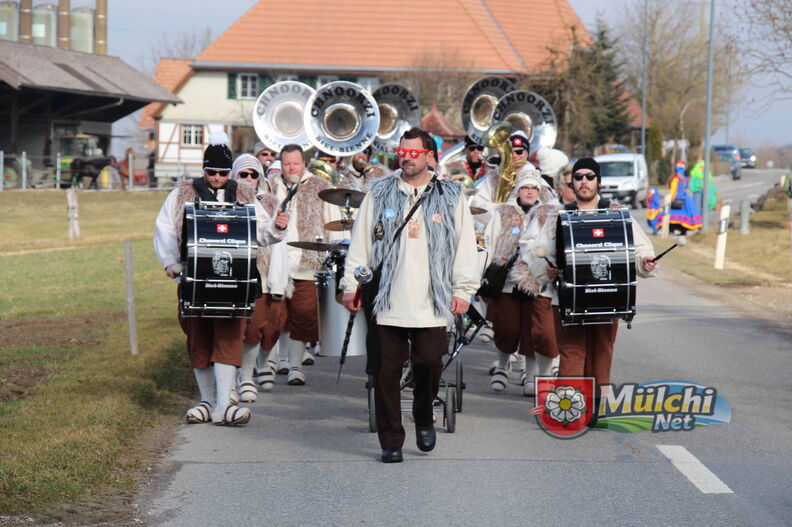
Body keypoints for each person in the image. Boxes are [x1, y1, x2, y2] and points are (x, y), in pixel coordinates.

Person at [341, 127, 479, 463]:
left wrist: (463, 290)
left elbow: (465, 247)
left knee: (430, 363)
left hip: (432, 300)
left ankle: (423, 415)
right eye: (402, 152)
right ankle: (391, 440)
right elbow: (361, 243)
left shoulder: (450, 195)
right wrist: (350, 285)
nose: (405, 158)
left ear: (429, 155)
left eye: (413, 153)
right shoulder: (379, 192)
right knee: (385, 372)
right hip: (387, 299)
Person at [153, 132, 289, 425]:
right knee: (198, 338)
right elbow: (164, 227)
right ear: (204, 170)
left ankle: (224, 403)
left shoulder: (245, 193)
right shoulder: (182, 193)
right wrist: (169, 261)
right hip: (195, 281)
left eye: (222, 173)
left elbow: (263, 232)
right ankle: (206, 399)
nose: (216, 177)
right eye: (211, 172)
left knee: (229, 338)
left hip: (233, 283)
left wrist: (278, 227)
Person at [527, 157, 656, 414]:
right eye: (578, 177)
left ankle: (597, 408)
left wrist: (645, 262)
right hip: (566, 298)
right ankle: (569, 410)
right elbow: (535, 257)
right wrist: (547, 269)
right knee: (572, 353)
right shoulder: (558, 216)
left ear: (598, 181)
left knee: (601, 353)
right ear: (571, 183)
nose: (584, 182)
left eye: (589, 177)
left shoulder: (617, 214)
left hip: (608, 299)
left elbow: (640, 249)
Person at [269, 144, 343, 385]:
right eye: (286, 163)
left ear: (304, 164)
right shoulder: (271, 186)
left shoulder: (320, 188)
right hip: (276, 264)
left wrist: (336, 256)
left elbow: (335, 224)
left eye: (295, 163)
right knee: (276, 317)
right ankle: (277, 361)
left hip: (307, 263)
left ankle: (295, 366)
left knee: (302, 317)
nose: (290, 167)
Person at [482, 169, 559, 395]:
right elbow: (488, 241)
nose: (529, 192)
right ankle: (503, 365)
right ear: (518, 190)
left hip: (534, 281)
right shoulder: (503, 212)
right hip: (506, 281)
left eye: (534, 188)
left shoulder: (548, 213)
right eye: (525, 188)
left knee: (532, 329)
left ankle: (530, 374)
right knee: (506, 327)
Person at [230, 154, 289, 401]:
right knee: (231, 331)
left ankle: (246, 376)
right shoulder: (223, 200)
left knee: (254, 330)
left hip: (259, 278)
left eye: (254, 174)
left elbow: (277, 243)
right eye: (244, 174)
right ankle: (231, 381)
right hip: (231, 276)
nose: (249, 179)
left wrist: (277, 283)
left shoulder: (269, 204)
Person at [667, 160, 702, 233]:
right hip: (685, 198)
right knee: (687, 214)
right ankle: (684, 230)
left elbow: (673, 189)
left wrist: (671, 198)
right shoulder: (685, 178)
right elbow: (686, 188)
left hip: (677, 198)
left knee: (673, 214)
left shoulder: (676, 178)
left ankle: (672, 229)